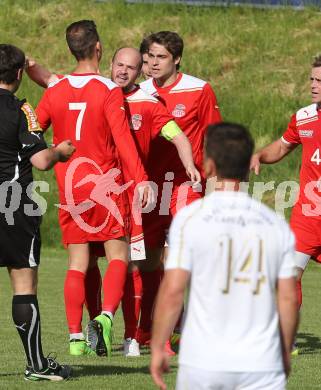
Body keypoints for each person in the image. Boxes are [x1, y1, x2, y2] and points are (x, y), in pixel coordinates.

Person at [151, 122, 299, 390]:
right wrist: (285, 350)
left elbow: (172, 291)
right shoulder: (274, 224)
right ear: (247, 166)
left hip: (203, 362)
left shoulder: (190, 218)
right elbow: (287, 298)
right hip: (261, 362)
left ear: (208, 165)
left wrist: (158, 346)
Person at [35, 20, 151, 358]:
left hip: (71, 190)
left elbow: (34, 132)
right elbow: (124, 142)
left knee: (77, 263)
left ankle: (74, 338)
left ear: (71, 49)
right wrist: (141, 178)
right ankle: (104, 317)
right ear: (98, 49)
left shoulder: (55, 91)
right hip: (106, 187)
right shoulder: (108, 90)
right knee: (118, 256)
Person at [110, 47, 200, 357]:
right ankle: (95, 334)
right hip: (103, 195)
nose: (124, 71)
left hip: (138, 197)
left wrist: (189, 164)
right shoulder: (101, 94)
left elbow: (178, 136)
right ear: (110, 64)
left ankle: (142, 335)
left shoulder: (149, 105)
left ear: (140, 71)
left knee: (144, 265)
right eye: (119, 65)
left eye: (131, 67)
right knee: (113, 265)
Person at [139, 31, 222, 344]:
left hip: (186, 186)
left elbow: (215, 142)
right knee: (147, 261)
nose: (154, 63)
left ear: (176, 59)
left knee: (180, 259)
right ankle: (162, 325)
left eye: (161, 57)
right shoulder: (140, 91)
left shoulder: (199, 89)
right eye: (150, 57)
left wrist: (214, 192)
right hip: (149, 188)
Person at [0, 44, 75, 381]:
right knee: (23, 283)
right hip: (13, 202)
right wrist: (60, 151)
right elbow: (40, 161)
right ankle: (37, 366)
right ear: (18, 75)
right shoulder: (22, 109)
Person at [250, 54, 321, 354]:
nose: (314, 86)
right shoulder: (304, 116)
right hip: (308, 214)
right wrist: (258, 156)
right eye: (312, 80)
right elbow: (282, 146)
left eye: (320, 81)